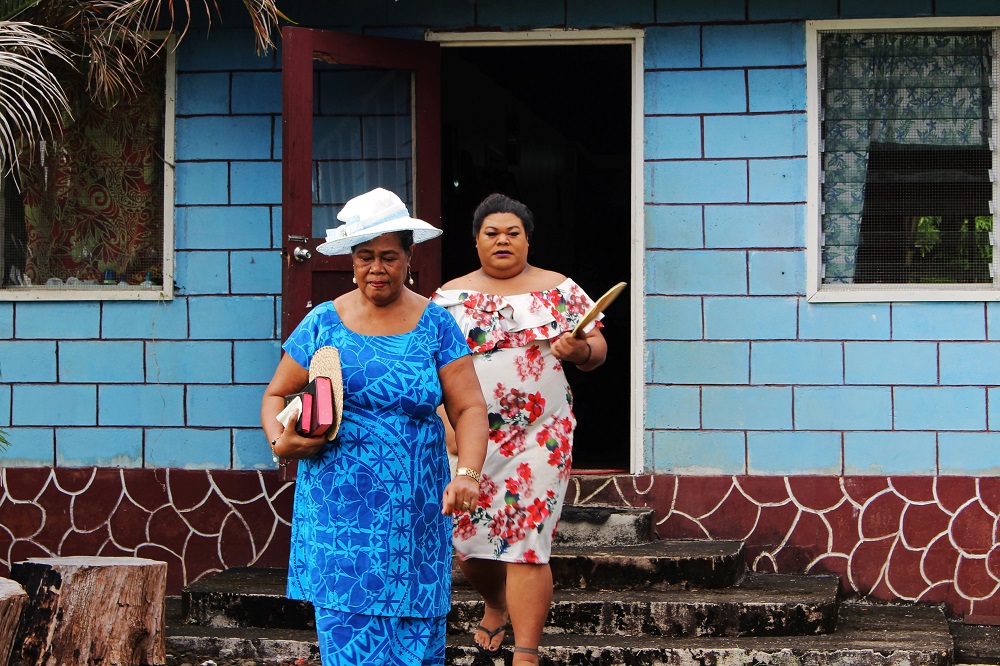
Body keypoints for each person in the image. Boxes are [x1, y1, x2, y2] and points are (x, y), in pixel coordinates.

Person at [261, 187, 488, 666]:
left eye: (389, 257)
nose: (377, 269)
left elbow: (469, 407)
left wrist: (467, 473)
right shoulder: (323, 322)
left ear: (409, 257)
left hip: (415, 511)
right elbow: (275, 395)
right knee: (348, 639)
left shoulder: (436, 325)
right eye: (366, 257)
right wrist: (283, 442)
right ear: (352, 260)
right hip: (339, 514)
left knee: (415, 640)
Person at [432, 193, 608, 664]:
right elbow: (429, 368)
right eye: (492, 233)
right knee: (467, 541)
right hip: (471, 435)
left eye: (513, 232)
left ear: (528, 240)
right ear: (476, 241)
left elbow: (597, 349)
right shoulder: (449, 297)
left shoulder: (559, 289)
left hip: (542, 435)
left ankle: (526, 653)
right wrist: (445, 422)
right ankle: (495, 602)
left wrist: (580, 351)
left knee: (528, 541)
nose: (503, 240)